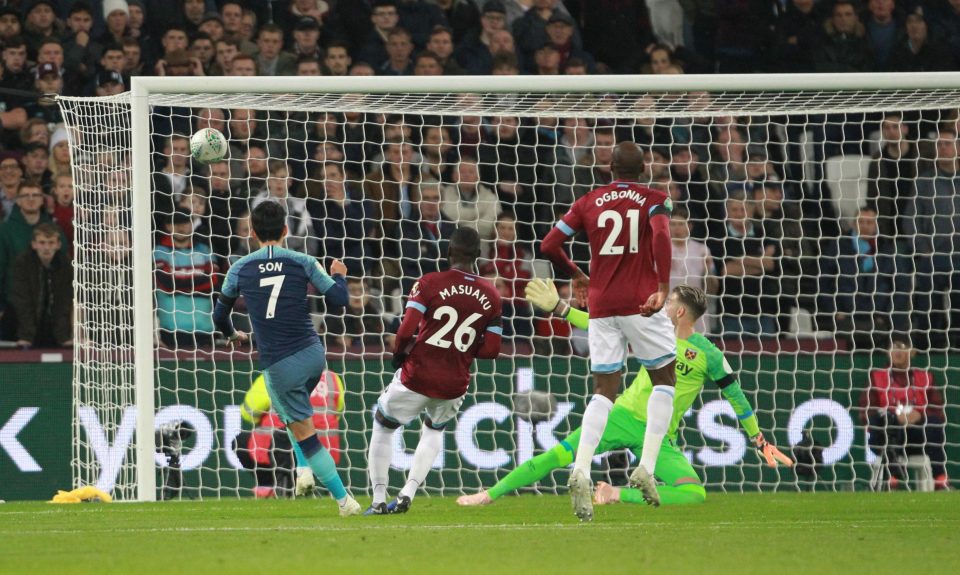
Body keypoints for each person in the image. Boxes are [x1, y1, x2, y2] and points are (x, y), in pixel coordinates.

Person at [458, 282, 792, 507]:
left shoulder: (710, 354)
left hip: (660, 436)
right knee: (556, 456)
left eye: (669, 301)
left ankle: (616, 493)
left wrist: (759, 440)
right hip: (622, 417)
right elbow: (599, 324)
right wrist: (560, 308)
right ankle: (487, 495)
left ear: (678, 312)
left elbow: (736, 398)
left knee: (694, 492)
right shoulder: (651, 330)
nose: (662, 304)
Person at [540, 141, 675, 520]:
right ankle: (646, 467)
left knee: (604, 392)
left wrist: (578, 274)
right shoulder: (654, 198)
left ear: (609, 167)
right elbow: (662, 237)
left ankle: (581, 468)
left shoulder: (588, 201)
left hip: (600, 305)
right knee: (664, 380)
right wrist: (662, 286)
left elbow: (549, 245)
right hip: (641, 302)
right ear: (644, 167)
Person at [213, 200, 361, 516]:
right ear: (285, 230)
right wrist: (339, 275)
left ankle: (343, 501)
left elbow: (219, 313)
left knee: (303, 431)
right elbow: (339, 299)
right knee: (292, 416)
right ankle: (303, 470)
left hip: (279, 363)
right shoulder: (303, 260)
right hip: (313, 355)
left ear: (251, 232)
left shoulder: (240, 267)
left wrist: (231, 335)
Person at [365, 227, 502, 515]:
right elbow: (490, 351)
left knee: (383, 423)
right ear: (478, 255)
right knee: (434, 429)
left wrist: (399, 355)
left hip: (419, 373)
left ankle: (378, 500)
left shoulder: (429, 283)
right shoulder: (491, 294)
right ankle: (408, 493)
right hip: (455, 382)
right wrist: (460, 350)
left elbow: (405, 331)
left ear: (448, 252)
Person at [236, 369, 345, 498]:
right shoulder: (331, 378)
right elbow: (338, 411)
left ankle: (267, 484)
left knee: (240, 441)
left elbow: (250, 411)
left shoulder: (274, 374)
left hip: (279, 449)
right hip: (322, 450)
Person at [860, 339, 949, 490]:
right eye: (893, 347)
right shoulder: (877, 377)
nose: (897, 351)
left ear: (912, 352)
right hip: (887, 437)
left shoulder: (925, 377)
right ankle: (892, 475)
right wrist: (893, 415)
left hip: (918, 436)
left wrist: (920, 415)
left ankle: (940, 479)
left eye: (901, 347)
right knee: (887, 422)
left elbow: (938, 410)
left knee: (933, 421)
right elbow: (866, 411)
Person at [154, 211, 219, 349]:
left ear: (192, 225)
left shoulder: (205, 250)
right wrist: (197, 278)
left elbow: (212, 281)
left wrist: (178, 280)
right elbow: (166, 283)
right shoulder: (159, 251)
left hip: (204, 327)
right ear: (167, 226)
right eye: (175, 223)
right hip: (171, 327)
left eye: (185, 222)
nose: (181, 227)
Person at [9, 223, 73, 348]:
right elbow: (22, 301)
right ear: (34, 244)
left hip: (53, 324)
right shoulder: (22, 263)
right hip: (23, 324)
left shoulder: (66, 265)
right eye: (42, 243)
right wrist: (26, 336)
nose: (46, 248)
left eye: (51, 243)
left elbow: (64, 302)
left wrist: (63, 336)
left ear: (58, 245)